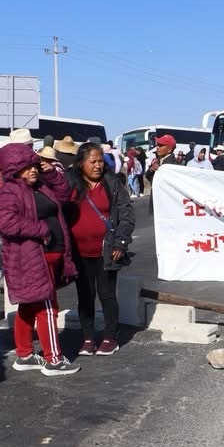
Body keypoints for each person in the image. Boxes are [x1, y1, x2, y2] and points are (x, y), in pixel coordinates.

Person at [0, 145, 80, 376]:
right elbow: (7, 224)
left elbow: (64, 195)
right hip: (33, 257)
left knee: (30, 305)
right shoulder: (9, 192)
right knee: (47, 306)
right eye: (26, 167)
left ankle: (24, 355)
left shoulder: (41, 185)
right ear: (14, 169)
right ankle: (53, 358)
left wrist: (50, 172)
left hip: (51, 255)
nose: (32, 170)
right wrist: (40, 229)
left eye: (34, 165)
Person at [65, 143, 135, 357]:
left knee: (107, 295)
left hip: (105, 251)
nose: (98, 166)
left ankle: (110, 337)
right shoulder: (70, 183)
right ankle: (87, 338)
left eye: (100, 161)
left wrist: (120, 242)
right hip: (79, 251)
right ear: (81, 163)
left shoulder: (112, 183)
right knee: (85, 296)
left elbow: (126, 215)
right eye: (92, 161)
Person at [0, 128, 34, 197]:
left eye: (31, 145)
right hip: (9, 191)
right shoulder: (1, 157)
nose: (31, 148)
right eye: (30, 146)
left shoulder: (34, 158)